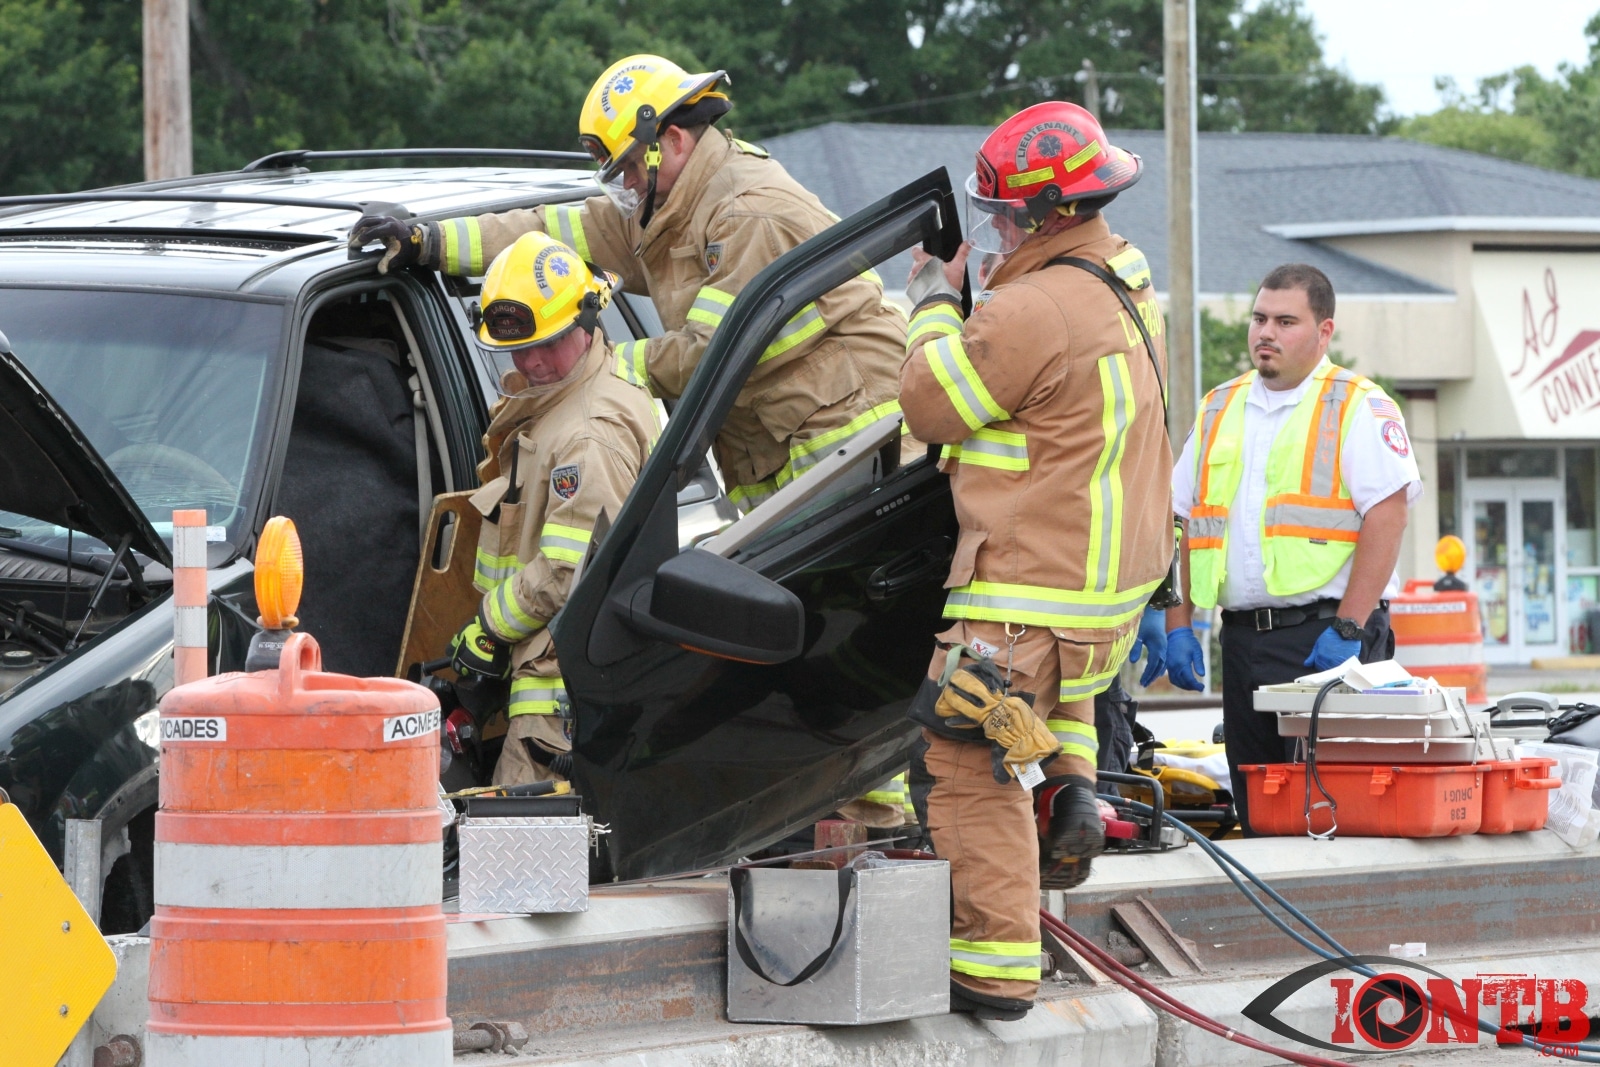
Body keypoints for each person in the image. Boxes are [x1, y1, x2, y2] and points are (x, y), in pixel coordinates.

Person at [348, 54, 906, 513]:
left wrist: (595, 369)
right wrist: (429, 241)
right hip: (783, 447)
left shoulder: (745, 214)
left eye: (631, 168)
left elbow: (709, 355)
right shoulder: (668, 202)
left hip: (850, 443)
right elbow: (549, 235)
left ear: (674, 141)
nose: (628, 188)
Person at [898, 101, 1173, 1021]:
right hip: (1092, 606)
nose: (996, 230)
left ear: (1050, 213)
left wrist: (936, 301)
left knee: (966, 762)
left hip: (1021, 597)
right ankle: (1073, 793)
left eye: (1006, 215)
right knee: (1042, 718)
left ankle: (994, 968)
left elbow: (933, 404)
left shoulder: (1030, 307)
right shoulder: (1124, 284)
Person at [1164, 263, 1421, 834]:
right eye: (1259, 319)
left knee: (1337, 812)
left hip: (1328, 638)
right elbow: (1178, 520)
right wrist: (1177, 623)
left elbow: (1389, 514)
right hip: (1244, 642)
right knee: (1260, 810)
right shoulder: (1218, 407)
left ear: (1323, 332)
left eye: (1285, 321)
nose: (1266, 333)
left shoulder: (1358, 404)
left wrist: (1351, 628)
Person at [445, 233, 657, 786]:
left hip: (559, 690)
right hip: (537, 664)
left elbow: (568, 573)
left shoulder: (588, 435)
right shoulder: (561, 395)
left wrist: (489, 625)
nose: (533, 361)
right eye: (519, 347)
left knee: (520, 843)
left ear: (587, 322)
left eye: (550, 343)